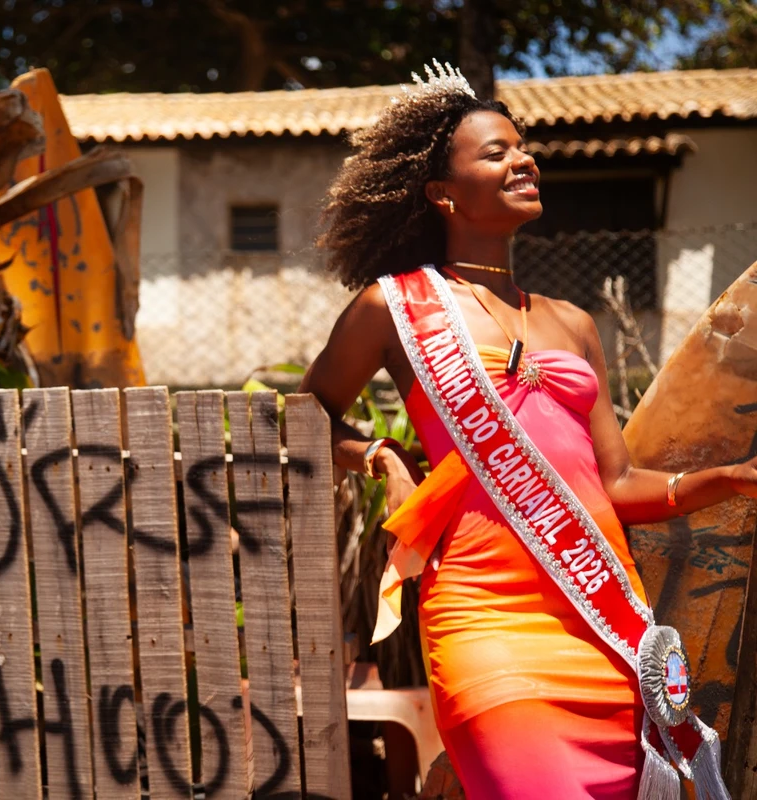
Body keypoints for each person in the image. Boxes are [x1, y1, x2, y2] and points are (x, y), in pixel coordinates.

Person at [299, 62, 746, 799]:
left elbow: (616, 486)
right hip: (484, 620)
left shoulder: (573, 323)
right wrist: (380, 456)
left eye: (523, 148)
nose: (524, 161)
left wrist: (727, 479)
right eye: (497, 152)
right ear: (442, 193)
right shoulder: (396, 307)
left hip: (600, 624)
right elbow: (305, 415)